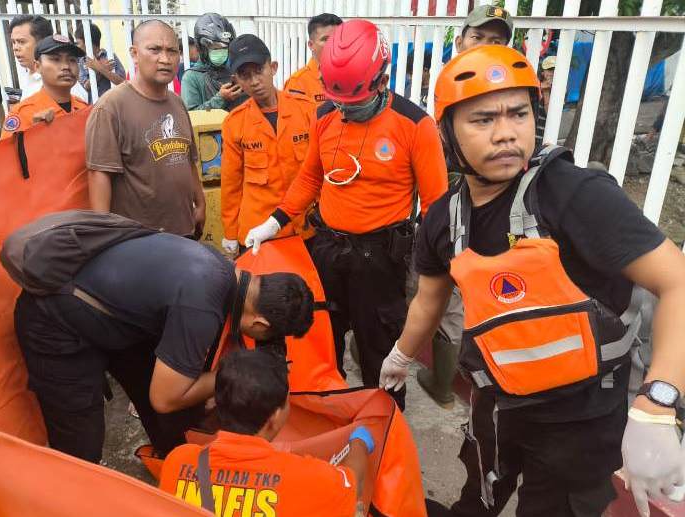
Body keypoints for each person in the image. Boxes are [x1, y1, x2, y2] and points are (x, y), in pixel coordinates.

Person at [380, 44, 685, 517]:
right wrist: (400, 356)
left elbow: (677, 283)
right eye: (483, 120)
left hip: (582, 415)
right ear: (448, 134)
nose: (506, 134)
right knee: (477, 495)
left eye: (518, 114)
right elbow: (428, 300)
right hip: (499, 403)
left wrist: (659, 402)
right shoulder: (444, 219)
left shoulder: (574, 194)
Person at [245, 20, 448, 410]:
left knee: (379, 349)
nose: (346, 111)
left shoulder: (414, 125)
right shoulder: (325, 116)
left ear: (381, 79)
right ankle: (328, 409)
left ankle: (383, 423)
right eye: (339, 103)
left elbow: (436, 205)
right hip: (328, 250)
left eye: (353, 104)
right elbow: (309, 178)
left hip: (380, 258)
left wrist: (432, 268)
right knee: (322, 338)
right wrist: (274, 222)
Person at [14, 230, 315, 463]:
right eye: (265, 339)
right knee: (83, 446)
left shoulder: (224, 270)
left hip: (114, 315)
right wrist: (232, 370)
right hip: (54, 321)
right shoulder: (202, 303)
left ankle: (174, 468)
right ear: (260, 324)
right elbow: (165, 398)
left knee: (176, 418)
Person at [415, 4, 516, 408]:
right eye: (478, 38)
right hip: (447, 207)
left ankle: (443, 384)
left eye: (497, 41)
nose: (486, 48)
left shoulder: (512, 90)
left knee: (456, 296)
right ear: (459, 42)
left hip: (487, 209)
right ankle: (443, 381)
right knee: (445, 291)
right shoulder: (450, 87)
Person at [159, 349, 370, 516]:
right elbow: (353, 483)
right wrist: (359, 440)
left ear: (216, 402)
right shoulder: (312, 479)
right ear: (275, 417)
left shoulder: (177, 462)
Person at [85, 20, 206, 238]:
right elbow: (99, 175)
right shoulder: (111, 108)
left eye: (172, 51)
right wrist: (103, 237)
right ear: (134, 53)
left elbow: (188, 160)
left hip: (184, 232)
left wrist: (200, 203)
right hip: (139, 242)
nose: (165, 59)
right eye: (155, 49)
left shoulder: (177, 104)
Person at [220, 34, 317, 256]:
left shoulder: (307, 111)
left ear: (272, 67)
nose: (254, 81)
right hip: (259, 232)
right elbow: (231, 185)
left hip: (305, 226)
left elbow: (321, 169)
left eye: (258, 71)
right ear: (236, 79)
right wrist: (230, 233)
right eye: (245, 76)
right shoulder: (235, 123)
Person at [0, 35, 89, 139]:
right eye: (56, 59)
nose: (66, 66)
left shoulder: (84, 108)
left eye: (72, 60)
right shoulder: (22, 114)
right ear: (37, 66)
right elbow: (8, 153)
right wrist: (33, 136)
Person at [8, 15, 88, 104]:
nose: (15, 47)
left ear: (42, 42)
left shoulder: (64, 85)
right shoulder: (29, 77)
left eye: (21, 42)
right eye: (13, 42)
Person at [181, 13, 246, 111]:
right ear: (202, 48)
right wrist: (221, 98)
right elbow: (191, 117)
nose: (222, 51)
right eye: (215, 47)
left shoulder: (234, 71)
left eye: (225, 48)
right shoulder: (191, 77)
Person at [283, 13, 342, 106]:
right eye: (325, 39)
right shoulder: (298, 83)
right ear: (311, 45)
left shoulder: (351, 76)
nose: (332, 44)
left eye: (337, 38)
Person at [74, 22, 125, 100]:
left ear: (88, 42)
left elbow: (122, 83)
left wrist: (100, 68)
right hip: (94, 106)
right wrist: (100, 71)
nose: (77, 46)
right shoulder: (82, 61)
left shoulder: (109, 56)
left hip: (113, 104)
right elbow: (86, 86)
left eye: (78, 43)